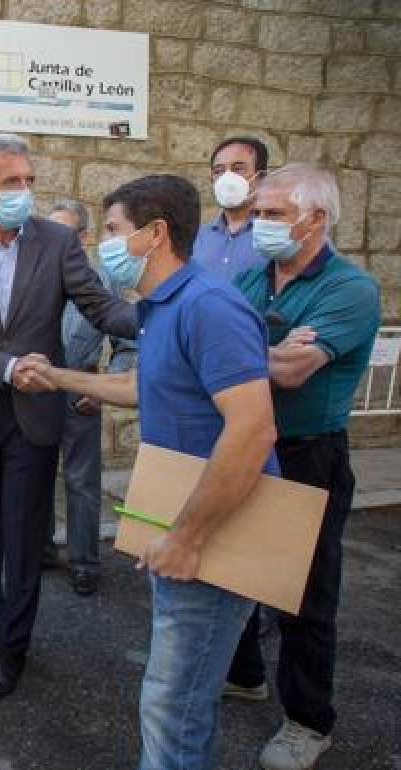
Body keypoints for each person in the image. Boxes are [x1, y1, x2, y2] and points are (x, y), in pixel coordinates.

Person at [18, 174, 280, 770]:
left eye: (113, 231)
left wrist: (187, 537)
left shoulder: (210, 306)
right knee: (178, 700)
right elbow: (142, 384)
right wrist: (57, 376)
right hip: (182, 517)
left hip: (212, 532)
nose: (104, 246)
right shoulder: (161, 306)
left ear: (155, 233)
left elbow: (253, 429)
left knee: (172, 704)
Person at [0, 133, 137, 705]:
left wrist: (164, 313)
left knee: (23, 534)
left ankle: (13, 647)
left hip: (36, 413)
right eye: (11, 182)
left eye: (29, 181)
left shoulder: (57, 241)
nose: (24, 191)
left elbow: (100, 306)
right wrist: (7, 367)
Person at [224, 165, 380, 770]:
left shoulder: (350, 288)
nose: (259, 225)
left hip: (308, 452)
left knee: (305, 594)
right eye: (257, 214)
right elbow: (227, 348)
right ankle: (244, 675)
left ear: (316, 219)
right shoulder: (251, 278)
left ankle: (308, 721)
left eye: (273, 215)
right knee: (236, 567)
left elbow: (292, 372)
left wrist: (241, 353)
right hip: (247, 441)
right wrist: (264, 352)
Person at [41, 198, 137, 597]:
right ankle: (42, 551)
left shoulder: (104, 280)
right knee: (36, 476)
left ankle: (84, 563)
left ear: (82, 238)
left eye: (62, 233)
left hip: (81, 394)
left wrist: (104, 389)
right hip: (36, 394)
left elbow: (127, 344)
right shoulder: (35, 276)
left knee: (82, 481)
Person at [191, 136, 269, 282]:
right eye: (218, 171)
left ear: (261, 177)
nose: (227, 177)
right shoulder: (198, 238)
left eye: (238, 169)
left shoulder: (274, 236)